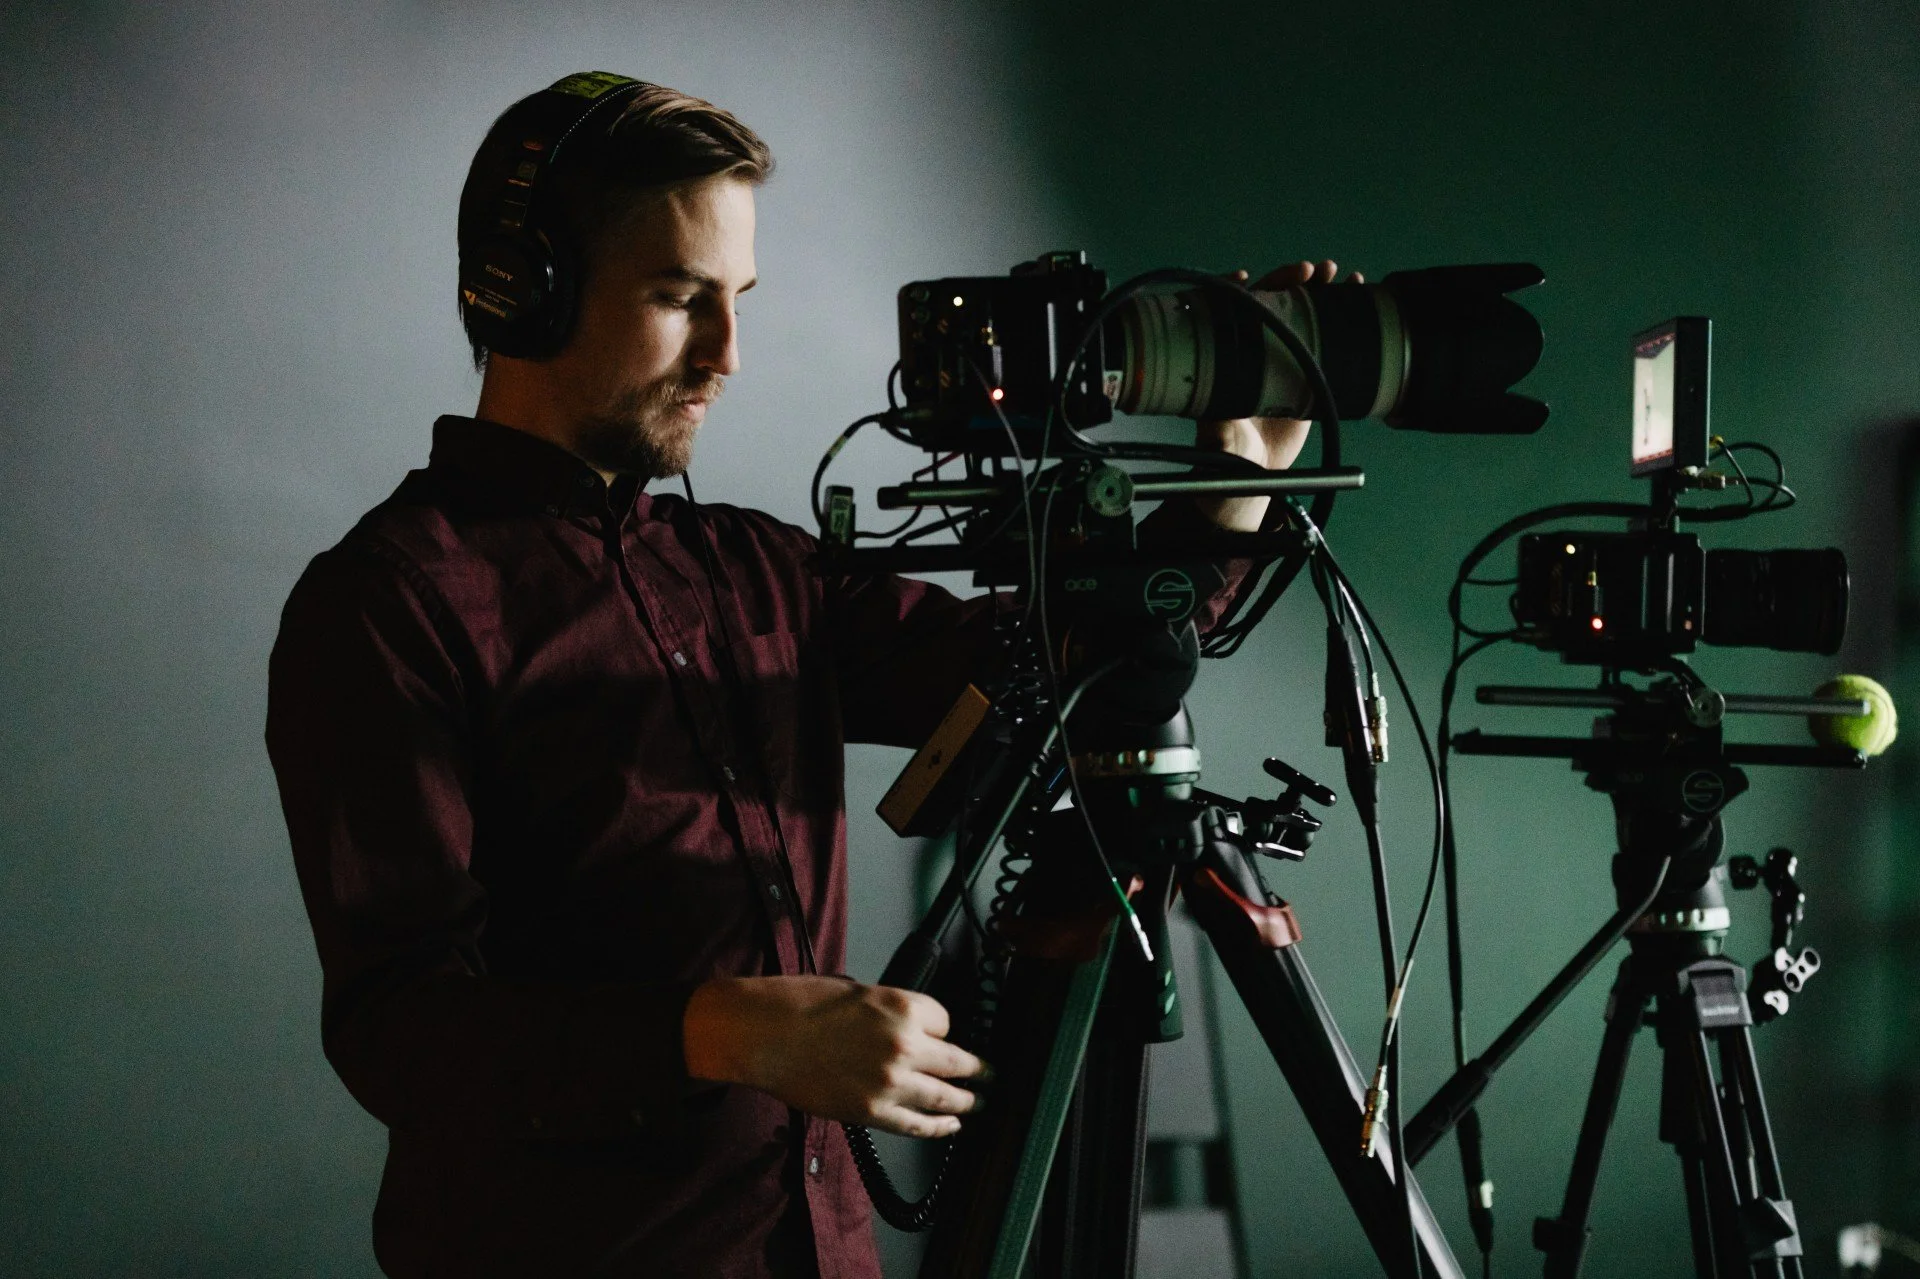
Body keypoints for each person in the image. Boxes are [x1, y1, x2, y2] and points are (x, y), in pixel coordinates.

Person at [266, 73, 1337, 1278]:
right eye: (681, 298)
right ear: (526, 293)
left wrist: (1240, 472)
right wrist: (721, 1030)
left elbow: (1081, 666)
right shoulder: (390, 604)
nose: (728, 353)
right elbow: (402, 1030)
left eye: (740, 299)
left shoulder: (759, 574)